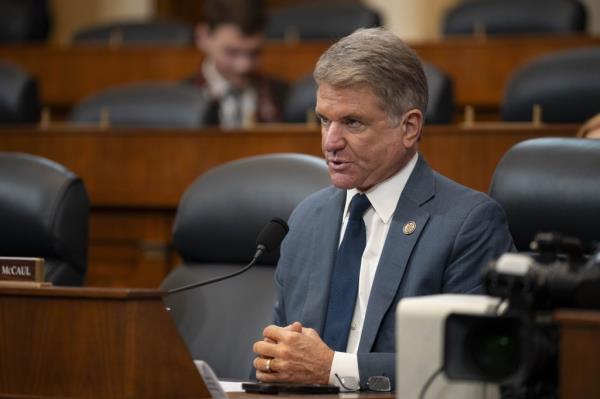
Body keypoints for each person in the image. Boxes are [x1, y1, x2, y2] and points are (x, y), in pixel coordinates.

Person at [251, 28, 514, 390]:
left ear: (409, 127)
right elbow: (279, 358)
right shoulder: (307, 219)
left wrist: (333, 368)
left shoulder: (468, 223)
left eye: (352, 122)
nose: (330, 142)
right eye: (324, 120)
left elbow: (470, 362)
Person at [191, 0, 286, 128]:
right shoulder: (176, 102)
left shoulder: (284, 96)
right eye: (232, 52)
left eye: (254, 53)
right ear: (203, 36)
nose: (244, 66)